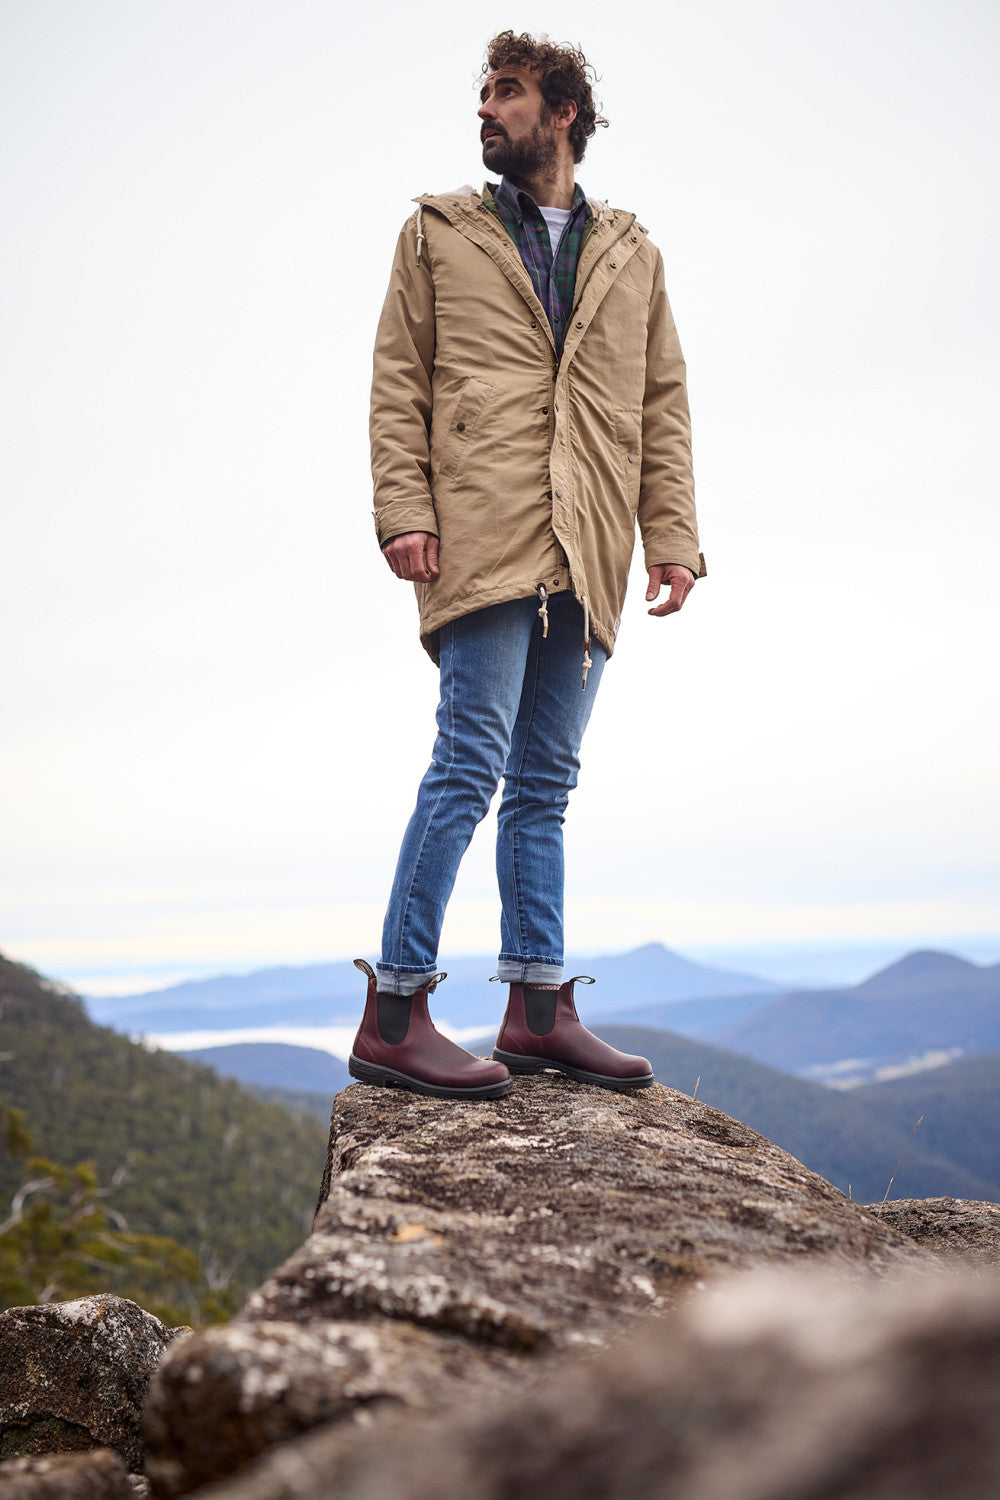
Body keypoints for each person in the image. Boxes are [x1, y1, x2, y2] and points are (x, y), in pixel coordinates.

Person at [350, 31, 705, 1100]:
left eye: (506, 92)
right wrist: (403, 511)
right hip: (483, 530)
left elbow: (661, 405)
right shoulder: (437, 234)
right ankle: (395, 1012)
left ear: (563, 113)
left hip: (589, 543)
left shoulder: (633, 254)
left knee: (545, 783)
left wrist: (672, 534)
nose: (485, 110)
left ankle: (537, 1010)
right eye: (484, 93)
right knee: (468, 764)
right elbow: (397, 382)